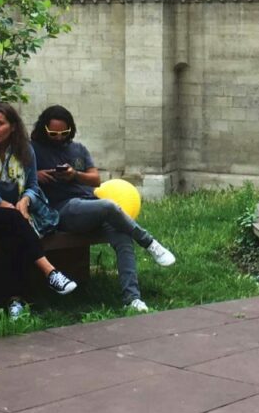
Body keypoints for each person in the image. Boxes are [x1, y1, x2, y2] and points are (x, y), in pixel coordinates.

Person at [32, 105, 175, 312]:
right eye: (52, 133)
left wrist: (75, 175)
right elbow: (21, 174)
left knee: (122, 234)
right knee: (109, 206)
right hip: (62, 210)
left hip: (89, 205)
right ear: (43, 128)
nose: (58, 138)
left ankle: (132, 299)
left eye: (63, 133)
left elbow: (96, 179)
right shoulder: (33, 149)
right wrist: (37, 175)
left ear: (70, 129)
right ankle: (149, 242)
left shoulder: (78, 149)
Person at [0, 102, 77, 317]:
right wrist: (2, 203)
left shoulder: (25, 150)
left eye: (0, 124)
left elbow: (33, 185)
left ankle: (15, 301)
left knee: (14, 232)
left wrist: (25, 200)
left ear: (13, 126)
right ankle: (50, 273)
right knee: (15, 222)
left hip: (18, 213)